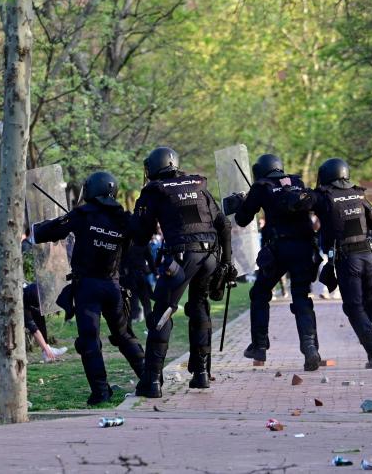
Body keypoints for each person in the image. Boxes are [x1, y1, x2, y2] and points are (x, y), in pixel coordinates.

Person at [33, 171, 144, 405]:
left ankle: (101, 392)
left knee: (89, 340)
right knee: (124, 335)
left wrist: (62, 222)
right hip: (114, 287)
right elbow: (136, 241)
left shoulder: (82, 214)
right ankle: (150, 379)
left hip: (87, 288)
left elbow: (44, 233)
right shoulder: (125, 218)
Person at [131, 147, 233, 396]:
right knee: (199, 308)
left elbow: (142, 234)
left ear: (154, 167)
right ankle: (201, 374)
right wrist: (227, 263)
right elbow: (224, 225)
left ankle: (152, 382)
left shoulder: (155, 191)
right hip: (209, 257)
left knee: (163, 313)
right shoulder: (199, 186)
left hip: (181, 258)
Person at [229, 154, 322, 371]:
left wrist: (242, 202)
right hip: (304, 248)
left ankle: (259, 346)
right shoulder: (297, 182)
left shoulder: (262, 186)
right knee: (301, 297)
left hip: (278, 249)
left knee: (260, 294)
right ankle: (310, 348)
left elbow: (243, 219)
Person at [310, 158, 372, 368]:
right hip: (367, 257)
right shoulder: (359, 195)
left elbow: (299, 203)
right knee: (371, 300)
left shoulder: (324, 197)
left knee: (354, 307)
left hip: (346, 259)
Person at [0, 283, 67, 362]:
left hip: (17, 300)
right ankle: (46, 352)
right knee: (20, 326)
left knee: (38, 313)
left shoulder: (28, 287)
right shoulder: (20, 306)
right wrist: (46, 350)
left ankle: (46, 349)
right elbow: (34, 331)